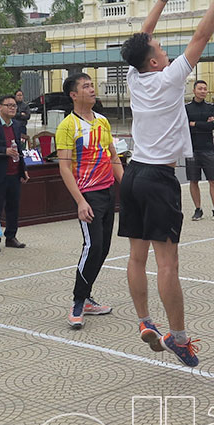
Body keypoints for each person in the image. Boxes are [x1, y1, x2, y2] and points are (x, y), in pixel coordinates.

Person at [118, 0, 214, 367]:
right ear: (154, 61)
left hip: (131, 174)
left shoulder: (134, 76)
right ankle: (179, 338)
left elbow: (140, 38)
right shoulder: (167, 77)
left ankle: (145, 320)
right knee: (168, 263)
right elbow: (203, 34)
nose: (164, 49)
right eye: (161, 49)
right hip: (158, 178)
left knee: (136, 257)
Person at [56, 73, 124, 329]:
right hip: (89, 195)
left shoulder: (103, 121)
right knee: (91, 247)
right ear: (73, 95)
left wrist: (125, 186)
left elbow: (113, 157)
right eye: (86, 86)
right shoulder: (68, 126)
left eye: (92, 85)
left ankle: (86, 298)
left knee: (103, 248)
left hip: (108, 191)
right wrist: (80, 202)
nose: (92, 89)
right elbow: (64, 168)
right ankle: (77, 302)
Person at [0, 94, 29, 252]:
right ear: (0, 107)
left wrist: (24, 170)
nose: (12, 108)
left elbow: (19, 150)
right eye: (8, 105)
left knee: (13, 207)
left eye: (14, 105)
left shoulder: (16, 125)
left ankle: (11, 237)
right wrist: (4, 151)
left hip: (14, 173)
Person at [185, 80, 214, 222]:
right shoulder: (186, 108)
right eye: (200, 88)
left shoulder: (211, 107)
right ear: (194, 90)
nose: (203, 91)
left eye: (205, 88)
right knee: (193, 180)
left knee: (213, 180)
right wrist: (204, 124)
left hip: (208, 148)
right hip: (191, 149)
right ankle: (198, 209)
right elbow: (184, 125)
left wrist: (195, 123)